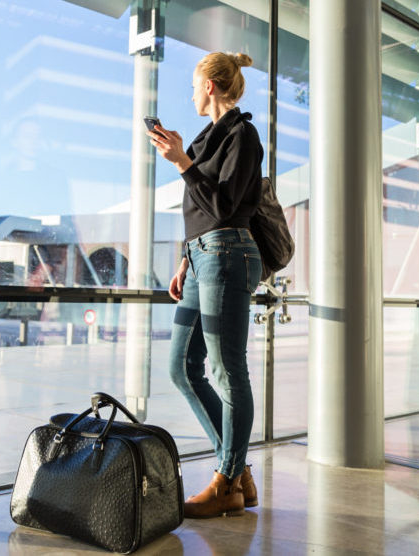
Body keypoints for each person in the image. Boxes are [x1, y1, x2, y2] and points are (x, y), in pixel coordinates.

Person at [147, 51, 263, 518]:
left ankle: (227, 480)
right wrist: (183, 257)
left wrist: (181, 162)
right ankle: (236, 471)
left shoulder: (242, 134)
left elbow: (221, 204)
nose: (191, 94)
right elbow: (199, 210)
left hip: (229, 254)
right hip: (200, 258)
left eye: (195, 86)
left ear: (211, 87)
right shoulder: (206, 138)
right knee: (181, 366)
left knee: (226, 368)